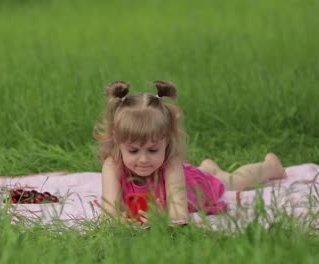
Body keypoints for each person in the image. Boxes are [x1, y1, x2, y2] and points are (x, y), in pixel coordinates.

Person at [93, 80, 285, 225]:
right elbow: (109, 213)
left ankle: (269, 167)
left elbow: (179, 216)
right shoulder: (113, 165)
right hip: (183, 179)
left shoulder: (170, 163)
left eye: (153, 150)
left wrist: (162, 218)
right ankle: (208, 168)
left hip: (194, 187)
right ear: (118, 142)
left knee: (233, 181)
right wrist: (121, 221)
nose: (143, 159)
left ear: (166, 141)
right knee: (212, 173)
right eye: (133, 151)